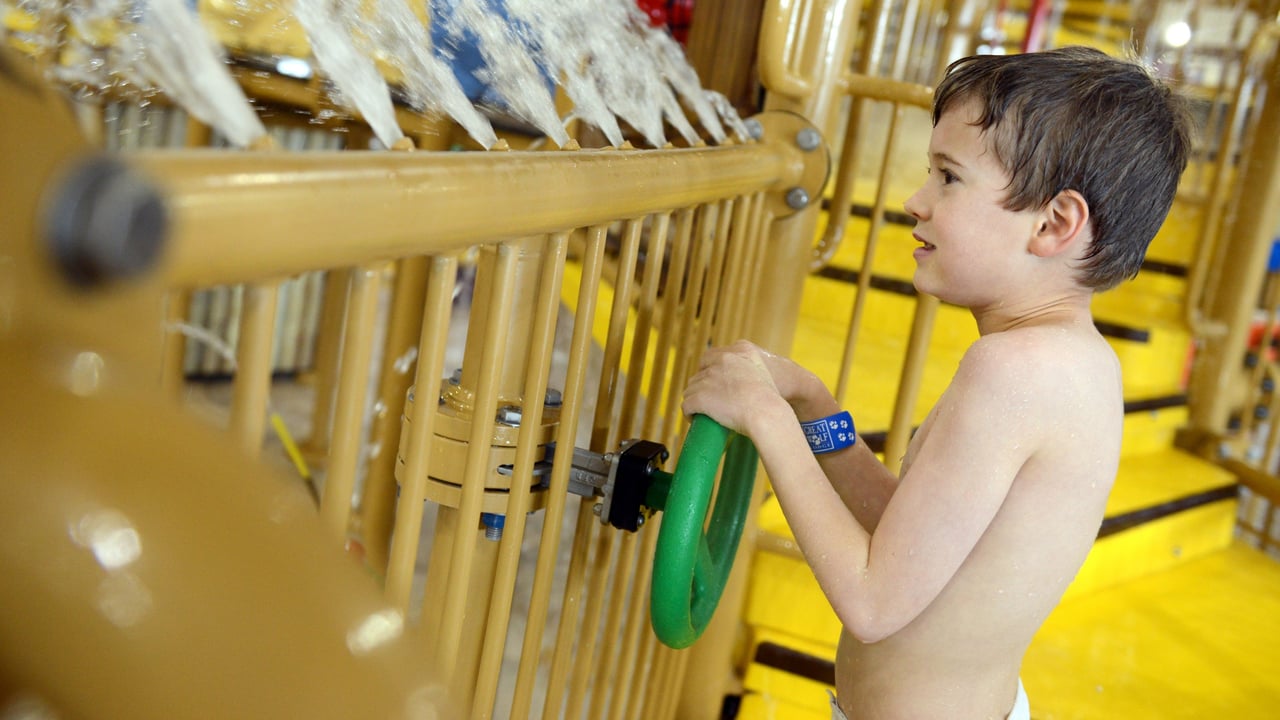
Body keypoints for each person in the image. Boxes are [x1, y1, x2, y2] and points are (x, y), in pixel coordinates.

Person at [682, 46, 1193, 720]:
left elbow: (872, 601)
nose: (914, 201)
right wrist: (814, 410)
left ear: (1053, 224)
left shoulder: (1013, 370)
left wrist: (765, 419)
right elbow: (915, 539)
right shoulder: (1076, 361)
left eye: (948, 177)